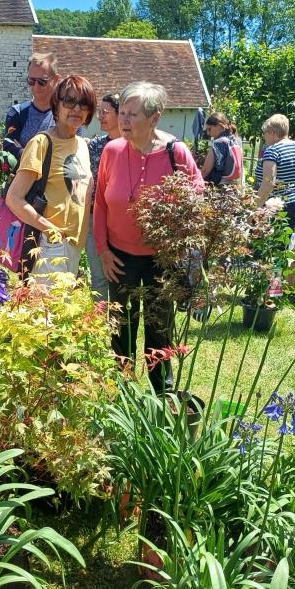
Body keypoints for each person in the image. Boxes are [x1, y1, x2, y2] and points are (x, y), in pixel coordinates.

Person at [93, 81, 204, 389]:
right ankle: (122, 392)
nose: (123, 121)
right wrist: (102, 250)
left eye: (133, 114)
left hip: (161, 260)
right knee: (121, 329)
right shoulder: (112, 151)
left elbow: (197, 200)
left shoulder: (175, 153)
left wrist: (179, 240)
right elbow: (100, 201)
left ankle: (162, 394)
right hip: (118, 257)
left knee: (159, 327)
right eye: (123, 113)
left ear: (155, 118)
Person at [6, 75, 95, 280]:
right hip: (49, 244)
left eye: (83, 103)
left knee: (61, 310)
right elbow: (14, 199)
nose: (76, 108)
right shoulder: (42, 143)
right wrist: (51, 230)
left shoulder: (82, 144)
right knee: (45, 310)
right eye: (69, 101)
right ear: (56, 105)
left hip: (74, 245)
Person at [86, 92, 121, 301]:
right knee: (98, 277)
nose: (100, 116)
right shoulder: (95, 146)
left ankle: (118, 325)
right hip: (94, 217)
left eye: (105, 112)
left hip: (120, 220)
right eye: (99, 111)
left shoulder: (131, 147)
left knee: (119, 276)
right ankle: (99, 329)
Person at [254, 113, 295, 230]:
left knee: (263, 245)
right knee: (283, 243)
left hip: (272, 205)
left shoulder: (272, 151)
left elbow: (269, 183)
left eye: (264, 133)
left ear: (272, 132)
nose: (264, 137)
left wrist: (254, 208)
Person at [2, 53, 61, 165]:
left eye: (42, 81)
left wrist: (23, 151)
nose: (36, 86)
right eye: (31, 81)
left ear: (55, 79)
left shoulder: (66, 115)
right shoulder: (17, 113)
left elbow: (68, 152)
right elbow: (8, 150)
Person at [201, 112, 242, 185]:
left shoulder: (218, 143)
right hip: (233, 186)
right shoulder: (235, 140)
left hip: (218, 187)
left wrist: (196, 182)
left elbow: (205, 170)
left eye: (209, 129)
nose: (208, 133)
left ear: (219, 126)